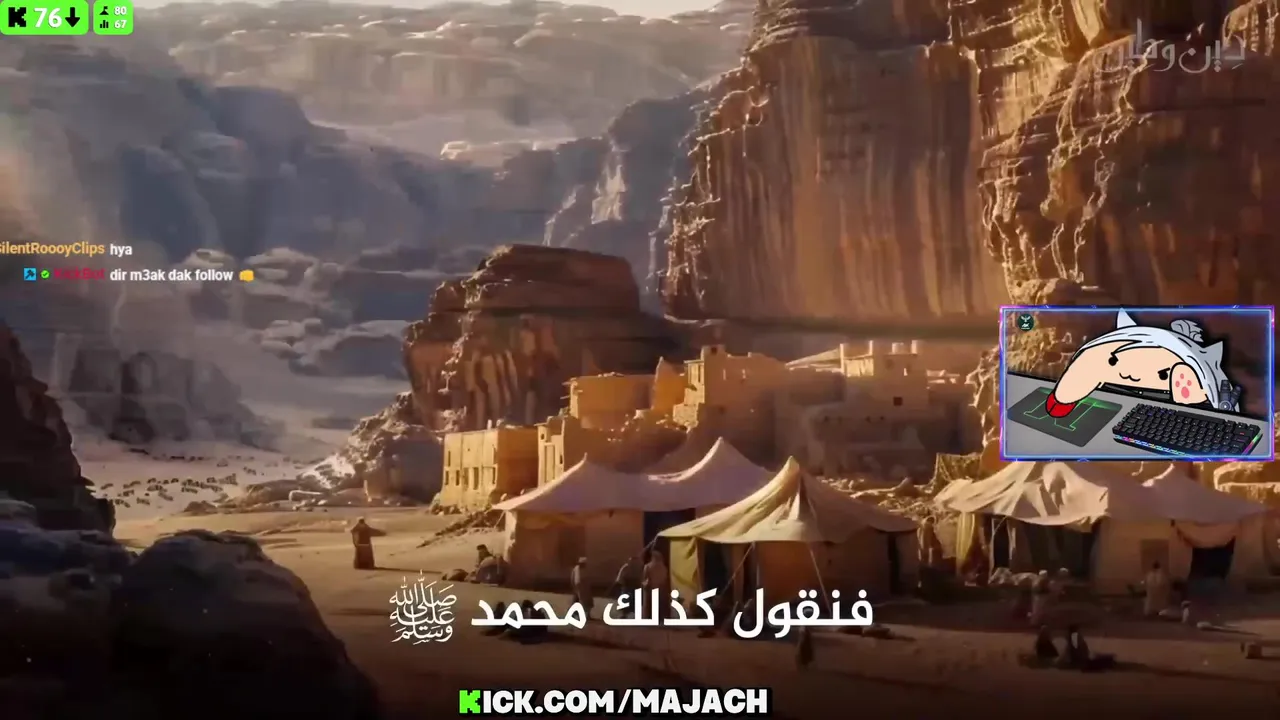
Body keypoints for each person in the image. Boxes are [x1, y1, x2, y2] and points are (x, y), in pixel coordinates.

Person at [642, 550, 669, 621]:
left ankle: (649, 618)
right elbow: (665, 578)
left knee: (649, 605)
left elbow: (645, 577)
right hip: (661, 589)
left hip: (650, 588)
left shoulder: (648, 566)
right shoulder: (663, 567)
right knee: (660, 604)